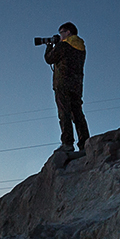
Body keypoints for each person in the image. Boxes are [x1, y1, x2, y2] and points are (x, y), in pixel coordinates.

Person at [45, 22, 88, 154]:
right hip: (76, 85)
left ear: (68, 32)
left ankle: (67, 143)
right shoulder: (81, 47)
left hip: (62, 84)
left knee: (64, 113)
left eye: (61, 32)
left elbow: (49, 58)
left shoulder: (64, 45)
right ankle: (85, 143)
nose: (60, 35)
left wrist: (49, 46)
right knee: (78, 114)